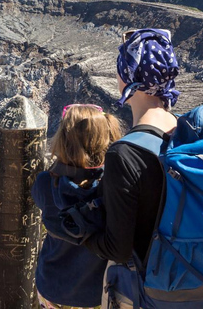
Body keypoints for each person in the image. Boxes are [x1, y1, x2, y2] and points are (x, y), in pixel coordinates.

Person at [83, 28, 180, 308]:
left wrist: (81, 235)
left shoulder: (125, 154)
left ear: (127, 76)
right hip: (192, 277)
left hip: (147, 289)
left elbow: (119, 248)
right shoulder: (191, 135)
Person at [32, 103, 123, 309]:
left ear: (63, 139)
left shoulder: (45, 183)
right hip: (97, 293)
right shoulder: (114, 187)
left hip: (52, 287)